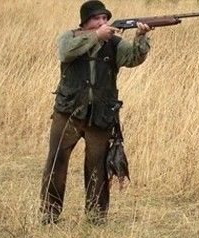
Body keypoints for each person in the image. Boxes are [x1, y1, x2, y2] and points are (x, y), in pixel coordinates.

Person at [40, 0, 153, 225]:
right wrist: (96, 36)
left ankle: (95, 217)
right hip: (69, 110)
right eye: (96, 19)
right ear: (85, 22)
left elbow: (133, 58)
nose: (102, 22)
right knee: (56, 162)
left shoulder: (114, 43)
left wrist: (140, 38)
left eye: (104, 18)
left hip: (101, 114)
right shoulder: (69, 37)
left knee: (98, 167)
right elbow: (65, 53)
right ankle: (50, 214)